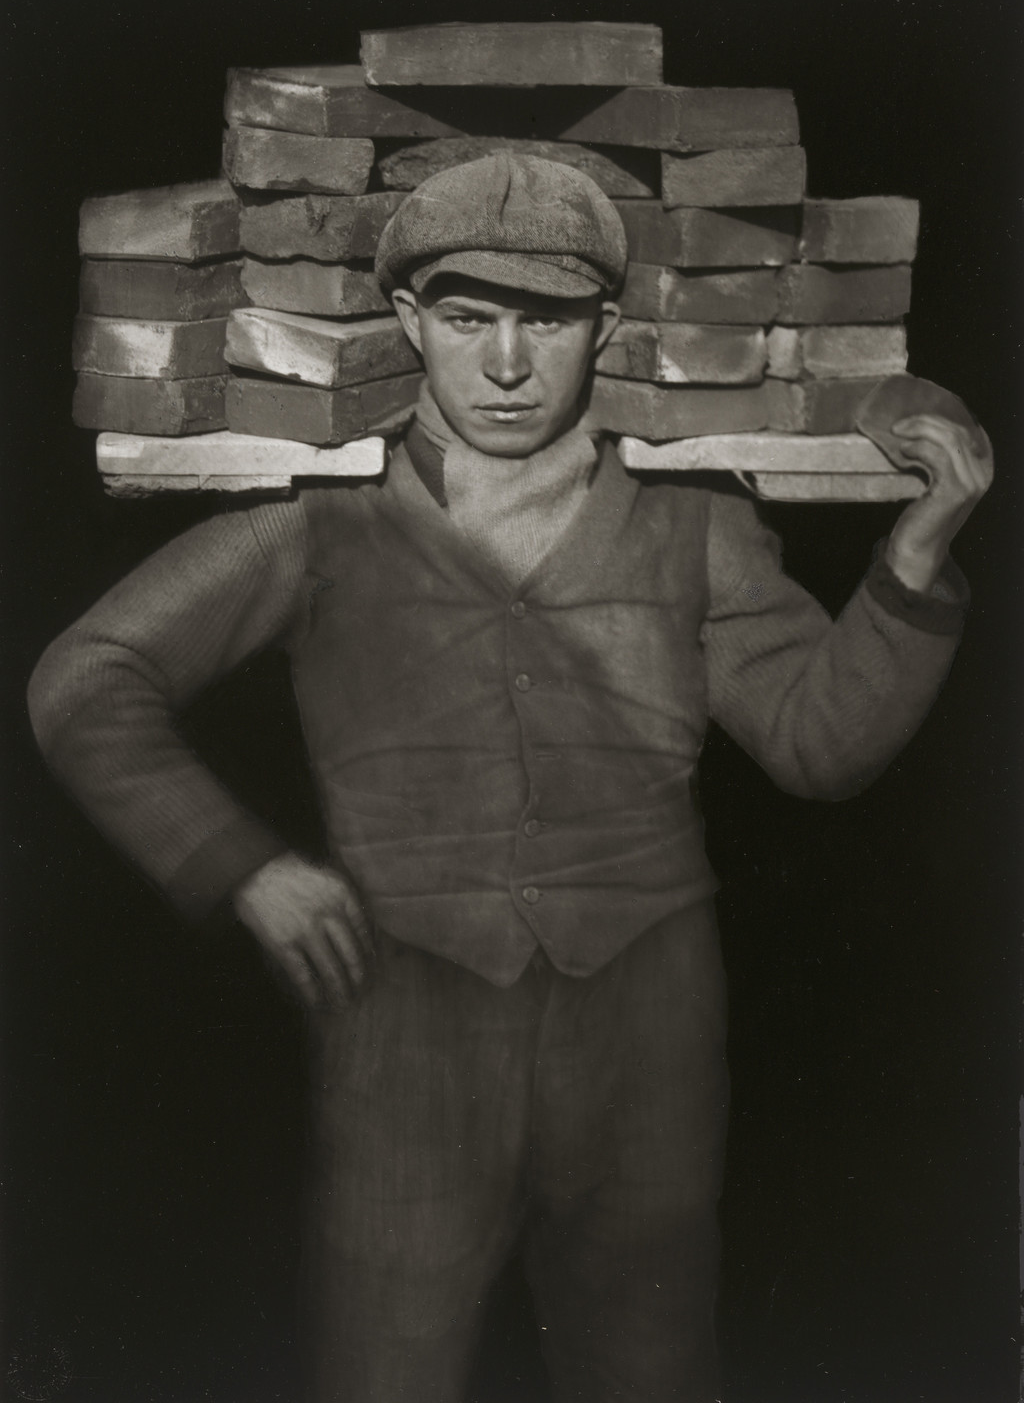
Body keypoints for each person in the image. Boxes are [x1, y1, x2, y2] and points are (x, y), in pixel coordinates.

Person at [28, 153, 993, 1403]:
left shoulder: (694, 527)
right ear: (410, 322)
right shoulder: (322, 522)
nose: (503, 365)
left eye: (545, 322)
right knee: (387, 1365)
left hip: (645, 1023)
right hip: (404, 1024)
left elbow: (822, 746)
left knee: (644, 1369)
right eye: (470, 319)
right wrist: (244, 867)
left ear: (606, 328)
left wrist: (912, 564)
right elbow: (84, 676)